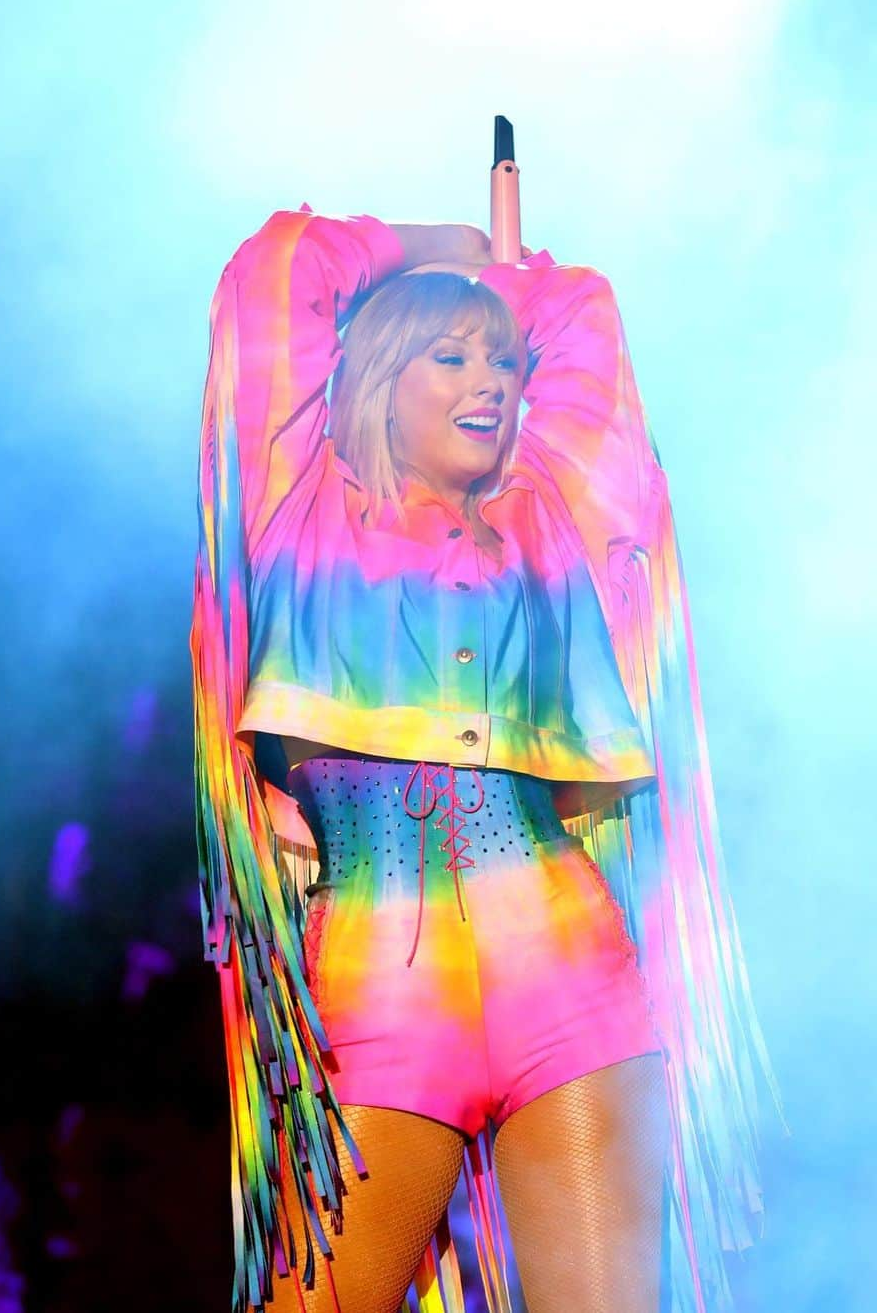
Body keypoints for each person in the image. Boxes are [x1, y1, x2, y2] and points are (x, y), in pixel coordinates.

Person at [191, 205, 783, 1313]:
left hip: (573, 982)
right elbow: (275, 270)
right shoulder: (300, 506)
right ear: (371, 378)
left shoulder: (548, 513)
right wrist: (446, 242)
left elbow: (585, 324)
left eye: (505, 361)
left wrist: (511, 281)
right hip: (381, 992)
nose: (494, 380)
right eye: (452, 357)